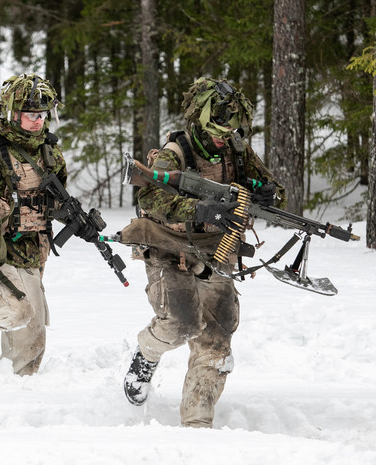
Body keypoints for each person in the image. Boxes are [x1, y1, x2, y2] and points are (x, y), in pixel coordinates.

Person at [122, 77, 286, 427]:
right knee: (181, 323)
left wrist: (267, 193)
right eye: (217, 131)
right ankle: (147, 353)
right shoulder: (175, 153)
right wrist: (198, 210)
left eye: (230, 130)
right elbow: (150, 197)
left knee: (218, 336)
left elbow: (272, 188)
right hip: (169, 246)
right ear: (200, 120)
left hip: (216, 249)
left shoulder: (237, 150)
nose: (224, 139)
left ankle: (197, 422)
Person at [0, 73, 97, 376]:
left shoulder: (51, 155)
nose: (38, 121)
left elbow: (55, 201)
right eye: (31, 114)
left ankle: (17, 391)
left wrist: (77, 220)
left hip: (35, 251)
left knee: (32, 341)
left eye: (42, 114)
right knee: (16, 311)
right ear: (12, 113)